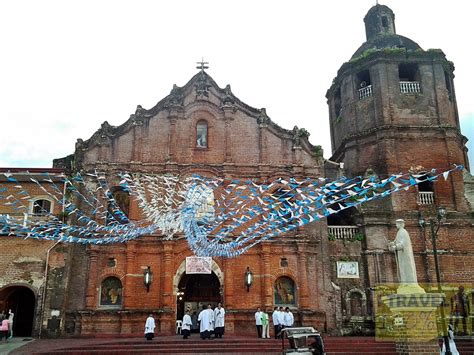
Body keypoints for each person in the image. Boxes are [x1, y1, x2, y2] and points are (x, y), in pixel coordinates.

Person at [388, 219, 424, 294]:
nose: (396, 225)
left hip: (405, 255)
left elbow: (403, 244)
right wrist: (392, 243)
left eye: (397, 223)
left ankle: (410, 284)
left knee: (407, 269)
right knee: (403, 269)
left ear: (401, 224)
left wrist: (395, 247)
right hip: (401, 255)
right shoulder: (399, 232)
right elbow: (396, 241)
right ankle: (404, 283)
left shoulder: (403, 232)